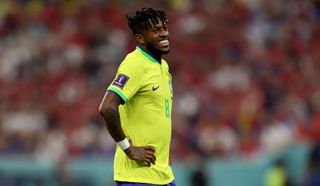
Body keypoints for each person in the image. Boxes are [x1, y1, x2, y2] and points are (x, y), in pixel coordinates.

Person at [99, 8, 175, 186]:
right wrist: (129, 149)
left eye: (164, 28)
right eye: (156, 30)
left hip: (162, 174)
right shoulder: (135, 64)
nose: (164, 34)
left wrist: (163, 154)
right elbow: (107, 108)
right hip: (138, 177)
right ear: (140, 38)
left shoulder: (163, 66)